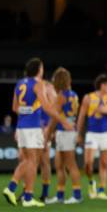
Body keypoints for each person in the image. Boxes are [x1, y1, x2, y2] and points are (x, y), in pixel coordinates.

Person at [2, 58, 72, 207]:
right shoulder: (39, 84)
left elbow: (15, 108)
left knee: (29, 161)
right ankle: (11, 188)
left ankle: (28, 197)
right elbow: (47, 107)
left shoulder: (20, 83)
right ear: (39, 70)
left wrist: (29, 110)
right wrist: (62, 120)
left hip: (21, 126)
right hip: (33, 128)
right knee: (32, 161)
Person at [76, 74, 107, 200]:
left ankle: (101, 190)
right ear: (103, 85)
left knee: (104, 163)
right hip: (92, 134)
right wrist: (78, 134)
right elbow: (82, 116)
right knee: (87, 164)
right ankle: (91, 182)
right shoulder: (88, 98)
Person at [45, 68, 82, 204]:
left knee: (70, 165)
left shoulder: (61, 96)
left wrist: (48, 133)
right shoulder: (73, 94)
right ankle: (60, 195)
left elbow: (54, 117)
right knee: (59, 165)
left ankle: (77, 195)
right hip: (66, 132)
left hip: (65, 133)